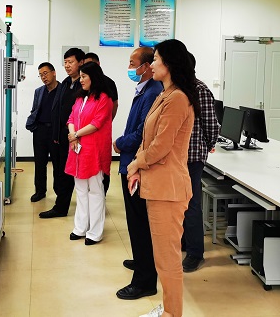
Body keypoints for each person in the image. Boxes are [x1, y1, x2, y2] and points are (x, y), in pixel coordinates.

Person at [127, 39, 200, 317]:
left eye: (156, 59)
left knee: (168, 260)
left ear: (169, 63)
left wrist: (135, 163)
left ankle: (172, 313)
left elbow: (161, 146)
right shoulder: (164, 94)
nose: (152, 64)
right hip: (158, 185)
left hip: (169, 189)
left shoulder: (178, 98)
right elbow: (148, 138)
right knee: (162, 257)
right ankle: (169, 308)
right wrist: (137, 167)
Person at [113, 47, 163, 300]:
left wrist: (121, 143)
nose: (130, 68)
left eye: (134, 64)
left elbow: (145, 132)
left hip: (138, 165)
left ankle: (144, 281)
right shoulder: (144, 89)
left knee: (140, 223)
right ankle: (142, 262)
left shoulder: (154, 91)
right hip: (131, 162)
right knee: (136, 223)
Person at [65, 62, 113, 244]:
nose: (81, 80)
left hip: (94, 150)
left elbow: (97, 123)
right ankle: (80, 228)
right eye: (81, 76)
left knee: (95, 190)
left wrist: (76, 134)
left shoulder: (104, 99)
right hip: (78, 149)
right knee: (80, 190)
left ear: (94, 77)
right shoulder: (80, 98)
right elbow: (71, 118)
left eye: (84, 76)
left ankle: (95, 232)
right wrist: (73, 135)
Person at [181, 53, 220, 272]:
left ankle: (195, 253)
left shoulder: (199, 90)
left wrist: (205, 146)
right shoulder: (174, 89)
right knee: (180, 204)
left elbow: (212, 125)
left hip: (193, 156)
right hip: (176, 158)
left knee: (191, 204)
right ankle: (185, 242)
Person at [39, 48, 85, 219]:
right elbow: (57, 109)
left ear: (81, 62)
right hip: (60, 136)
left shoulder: (84, 84)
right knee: (60, 171)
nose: (67, 65)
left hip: (76, 136)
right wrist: (55, 135)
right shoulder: (65, 83)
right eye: (65, 62)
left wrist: (75, 135)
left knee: (70, 174)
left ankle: (62, 207)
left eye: (70, 62)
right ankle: (61, 203)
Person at [84, 51, 119, 195]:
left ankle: (101, 195)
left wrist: (106, 121)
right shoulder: (84, 85)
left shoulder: (108, 84)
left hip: (99, 133)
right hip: (85, 134)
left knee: (101, 168)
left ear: (98, 64)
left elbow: (114, 105)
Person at [25, 62, 59, 202]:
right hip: (40, 131)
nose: (43, 77)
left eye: (45, 73)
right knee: (39, 163)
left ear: (53, 72)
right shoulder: (39, 91)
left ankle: (59, 192)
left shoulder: (62, 90)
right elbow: (35, 109)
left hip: (56, 131)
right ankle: (40, 191)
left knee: (58, 164)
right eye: (41, 75)